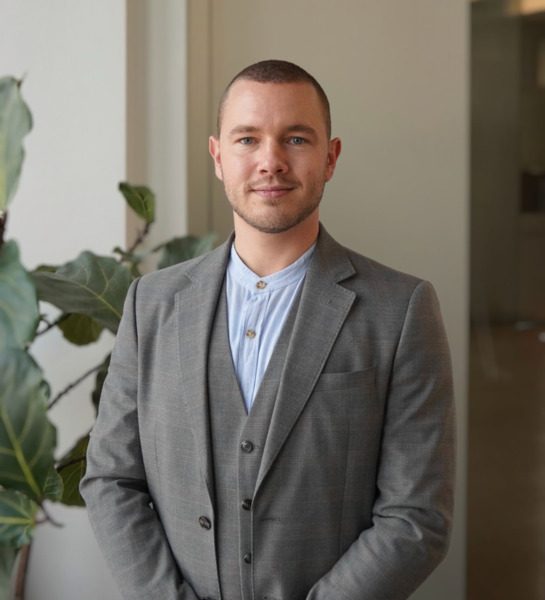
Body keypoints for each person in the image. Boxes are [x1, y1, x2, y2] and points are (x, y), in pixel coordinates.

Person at [81, 59, 455, 600]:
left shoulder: (401, 310)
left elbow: (416, 516)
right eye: (247, 139)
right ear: (218, 156)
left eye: (296, 139)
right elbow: (111, 478)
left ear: (331, 157)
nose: (271, 161)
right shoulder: (151, 303)